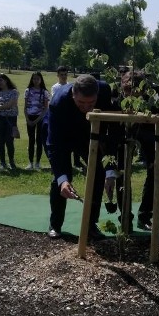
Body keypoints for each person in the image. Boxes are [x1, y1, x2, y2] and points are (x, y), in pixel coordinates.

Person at [46, 74, 118, 241]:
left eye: (91, 103)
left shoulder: (105, 91)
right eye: (81, 103)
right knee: (61, 178)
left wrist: (109, 169)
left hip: (88, 135)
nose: (86, 107)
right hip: (62, 136)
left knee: (98, 172)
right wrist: (62, 179)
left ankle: (90, 224)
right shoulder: (58, 103)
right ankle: (55, 225)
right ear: (73, 94)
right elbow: (54, 145)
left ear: (97, 95)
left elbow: (111, 128)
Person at [110, 70, 159, 231]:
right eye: (125, 91)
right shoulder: (118, 91)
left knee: (153, 171)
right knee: (121, 171)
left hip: (149, 132)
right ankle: (125, 217)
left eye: (133, 91)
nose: (129, 95)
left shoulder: (153, 92)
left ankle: (145, 216)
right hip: (124, 132)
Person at [0, 73, 19, 170]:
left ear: (6, 80)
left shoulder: (14, 92)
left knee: (10, 141)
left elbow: (11, 104)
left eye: (1, 80)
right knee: (1, 142)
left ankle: (11, 162)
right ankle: (2, 163)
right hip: (0, 120)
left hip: (11, 119)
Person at [24, 71, 50, 170]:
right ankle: (30, 163)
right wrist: (27, 118)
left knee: (39, 140)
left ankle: (37, 163)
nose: (36, 81)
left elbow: (45, 108)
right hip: (30, 117)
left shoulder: (44, 92)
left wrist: (38, 119)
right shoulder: (28, 90)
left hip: (40, 118)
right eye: (34, 79)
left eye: (37, 79)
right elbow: (25, 106)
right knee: (31, 140)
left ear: (41, 80)